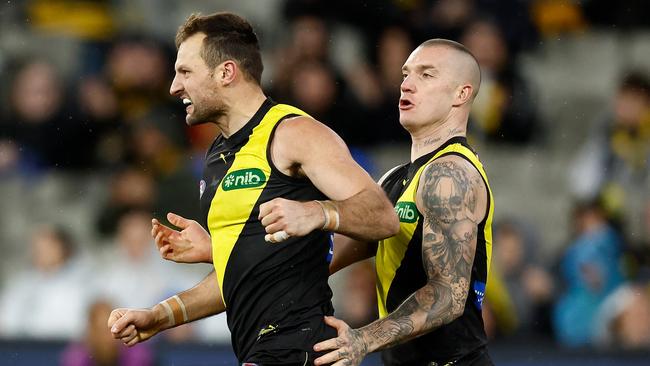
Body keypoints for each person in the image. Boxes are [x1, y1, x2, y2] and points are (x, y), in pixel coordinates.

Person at [107, 12, 399, 366]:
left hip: (301, 350)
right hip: (258, 353)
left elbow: (383, 218)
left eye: (185, 72)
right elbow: (240, 279)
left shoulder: (293, 133)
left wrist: (319, 212)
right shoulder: (215, 156)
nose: (173, 87)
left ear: (226, 72)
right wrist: (159, 316)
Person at [315, 39, 495, 365]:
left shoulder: (451, 174)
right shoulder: (395, 180)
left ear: (461, 94)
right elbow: (324, 258)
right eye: (406, 74)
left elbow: (448, 296)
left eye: (426, 75)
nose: (407, 85)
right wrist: (223, 252)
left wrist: (363, 339)